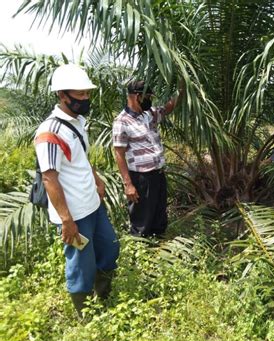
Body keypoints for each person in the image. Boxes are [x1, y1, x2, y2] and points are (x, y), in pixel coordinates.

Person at [34, 64, 120, 318]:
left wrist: (97, 179)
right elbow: (50, 178)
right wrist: (66, 220)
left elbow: (80, 156)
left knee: (110, 248)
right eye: (80, 95)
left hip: (92, 203)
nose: (85, 99)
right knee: (81, 265)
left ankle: (102, 295)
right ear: (63, 95)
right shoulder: (49, 132)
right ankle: (85, 315)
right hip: (74, 213)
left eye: (87, 94)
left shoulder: (78, 121)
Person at [113, 80, 182, 237]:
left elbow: (167, 109)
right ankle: (142, 251)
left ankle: (159, 247)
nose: (150, 100)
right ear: (138, 96)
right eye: (148, 97)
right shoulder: (121, 121)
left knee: (159, 215)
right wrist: (128, 184)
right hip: (141, 179)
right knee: (142, 221)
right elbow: (119, 154)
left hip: (158, 174)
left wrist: (180, 90)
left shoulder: (149, 113)